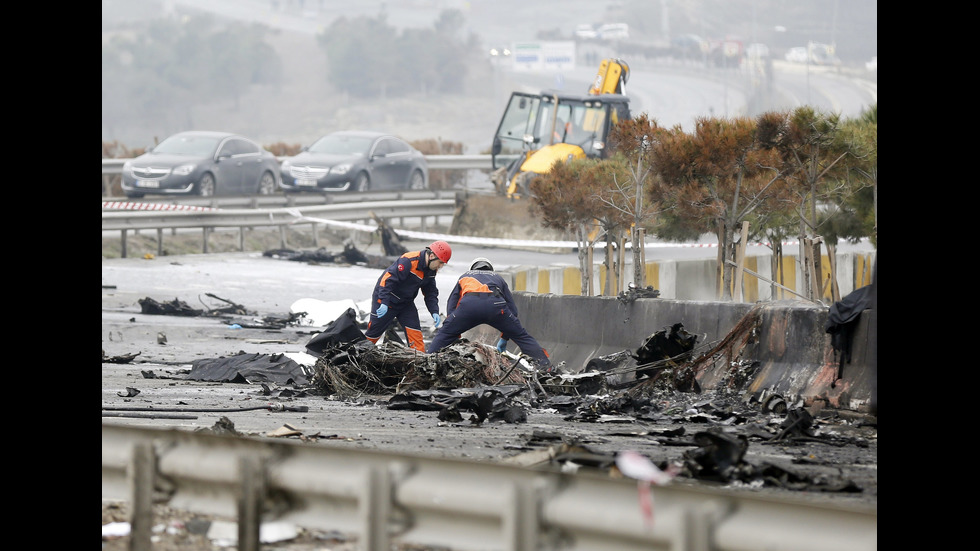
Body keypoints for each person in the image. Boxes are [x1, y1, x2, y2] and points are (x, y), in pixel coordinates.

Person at [428, 257, 552, 370]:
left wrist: (452, 327)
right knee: (522, 337)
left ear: (473, 268)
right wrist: (505, 337)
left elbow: (452, 302)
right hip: (496, 308)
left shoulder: (465, 275)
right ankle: (545, 365)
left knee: (444, 334)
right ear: (490, 268)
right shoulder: (498, 278)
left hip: (469, 307)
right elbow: (512, 309)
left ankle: (427, 360)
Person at [365, 240, 452, 352]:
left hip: (405, 303)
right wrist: (384, 302)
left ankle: (420, 364)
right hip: (386, 300)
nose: (440, 266)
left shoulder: (431, 270)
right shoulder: (408, 261)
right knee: (372, 335)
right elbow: (386, 281)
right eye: (440, 263)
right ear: (431, 256)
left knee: (416, 337)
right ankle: (356, 356)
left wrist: (434, 311)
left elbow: (430, 292)